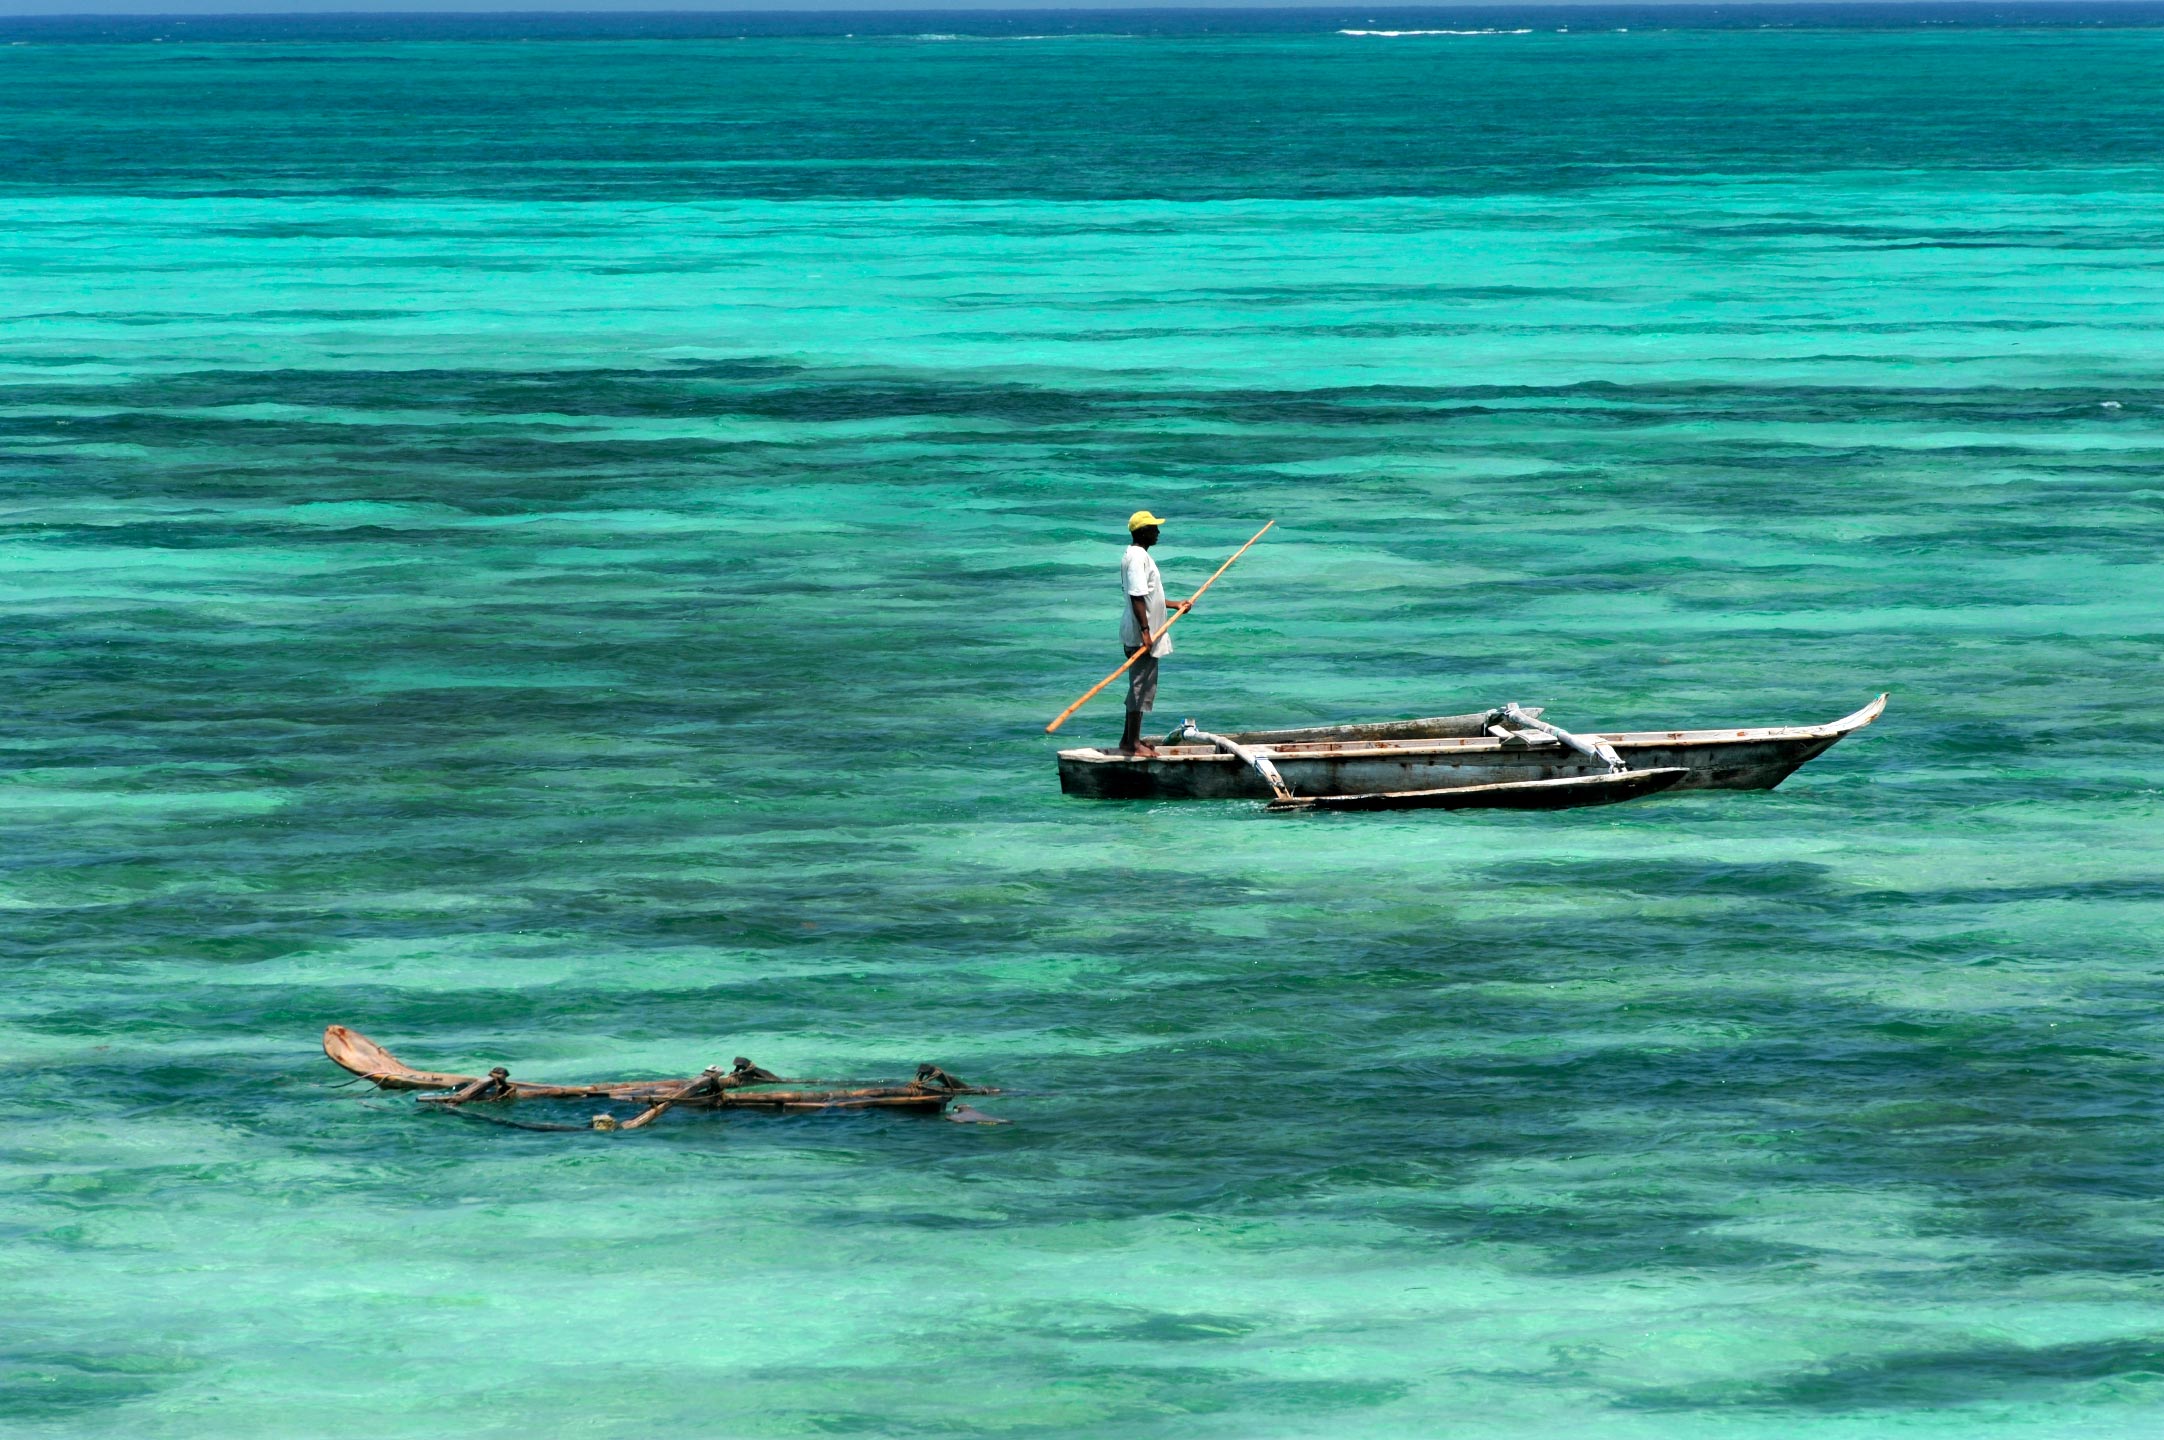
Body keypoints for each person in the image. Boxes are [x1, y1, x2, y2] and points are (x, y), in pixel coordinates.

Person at [1117, 510, 1191, 757]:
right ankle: (1131, 744)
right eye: (1153, 528)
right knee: (1139, 688)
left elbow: (1151, 596)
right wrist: (1146, 632)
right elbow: (1137, 596)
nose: (1158, 532)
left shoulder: (1139, 556)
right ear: (1142, 532)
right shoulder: (1137, 558)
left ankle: (1129, 739)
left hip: (1144, 632)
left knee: (1142, 687)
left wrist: (1174, 604)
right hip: (1141, 635)